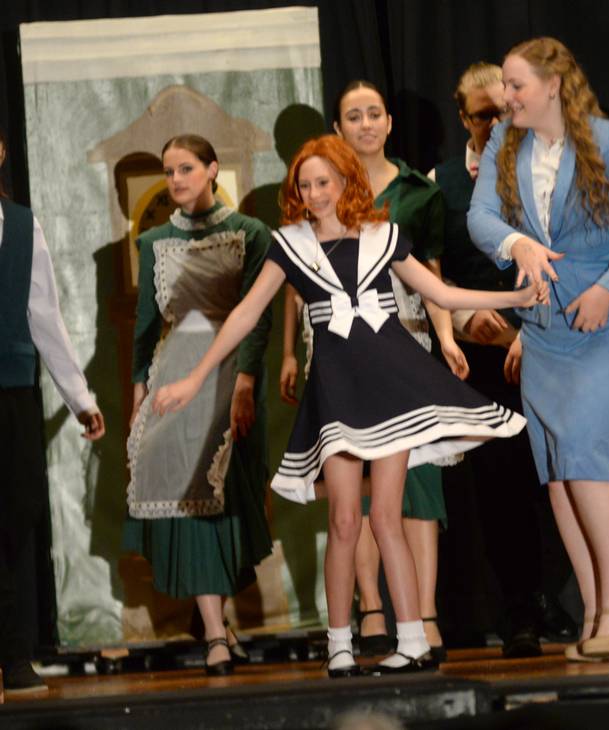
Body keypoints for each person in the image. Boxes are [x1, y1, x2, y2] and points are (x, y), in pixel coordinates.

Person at [152, 134, 537, 677]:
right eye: (305, 185)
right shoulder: (291, 245)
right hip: (336, 392)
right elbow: (242, 316)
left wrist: (515, 299)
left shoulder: (383, 235)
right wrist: (194, 380)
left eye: (323, 182)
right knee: (343, 520)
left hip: (393, 385)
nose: (314, 193)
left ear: (344, 182)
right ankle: (340, 644)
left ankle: (411, 640)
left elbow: (442, 294)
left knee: (388, 518)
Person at [468, 37, 609, 662]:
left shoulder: (607, 142)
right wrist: (515, 246)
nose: (506, 97)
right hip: (546, 328)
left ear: (553, 85)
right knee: (560, 472)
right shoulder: (506, 142)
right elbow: (480, 219)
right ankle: (598, 607)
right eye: (505, 85)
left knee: (587, 456)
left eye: (516, 85)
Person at [280, 81, 466, 661]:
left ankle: (423, 619)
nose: (364, 124)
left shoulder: (416, 191)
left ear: (388, 122)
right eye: (351, 115)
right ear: (338, 127)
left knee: (411, 496)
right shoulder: (310, 204)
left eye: (373, 114)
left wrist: (446, 335)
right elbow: (294, 284)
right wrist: (289, 351)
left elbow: (431, 276)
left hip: (401, 344)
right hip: (335, 349)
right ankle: (370, 611)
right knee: (350, 503)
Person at [431, 61, 576, 655]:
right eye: (483, 113)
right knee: (499, 486)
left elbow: (566, 252)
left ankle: (575, 599)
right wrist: (465, 322)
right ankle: (520, 610)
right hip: (480, 358)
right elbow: (436, 265)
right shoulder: (441, 181)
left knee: (564, 476)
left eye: (504, 108)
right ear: (464, 117)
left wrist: (526, 329)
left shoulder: (541, 164)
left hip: (546, 343)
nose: (495, 122)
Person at [122, 134, 273, 676]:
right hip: (172, 376)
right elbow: (145, 324)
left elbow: (257, 318)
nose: (177, 179)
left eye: (186, 168)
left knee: (225, 500)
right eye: (169, 171)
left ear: (212, 170)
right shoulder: (155, 239)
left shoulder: (249, 233)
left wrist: (246, 383)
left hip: (227, 374)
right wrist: (138, 391)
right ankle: (213, 631)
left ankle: (219, 622)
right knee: (188, 501)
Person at [0, 127, 105, 695]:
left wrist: (81, 399)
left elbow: (46, 316)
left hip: (11, 392)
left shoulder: (20, 226)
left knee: (15, 521)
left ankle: (15, 659)